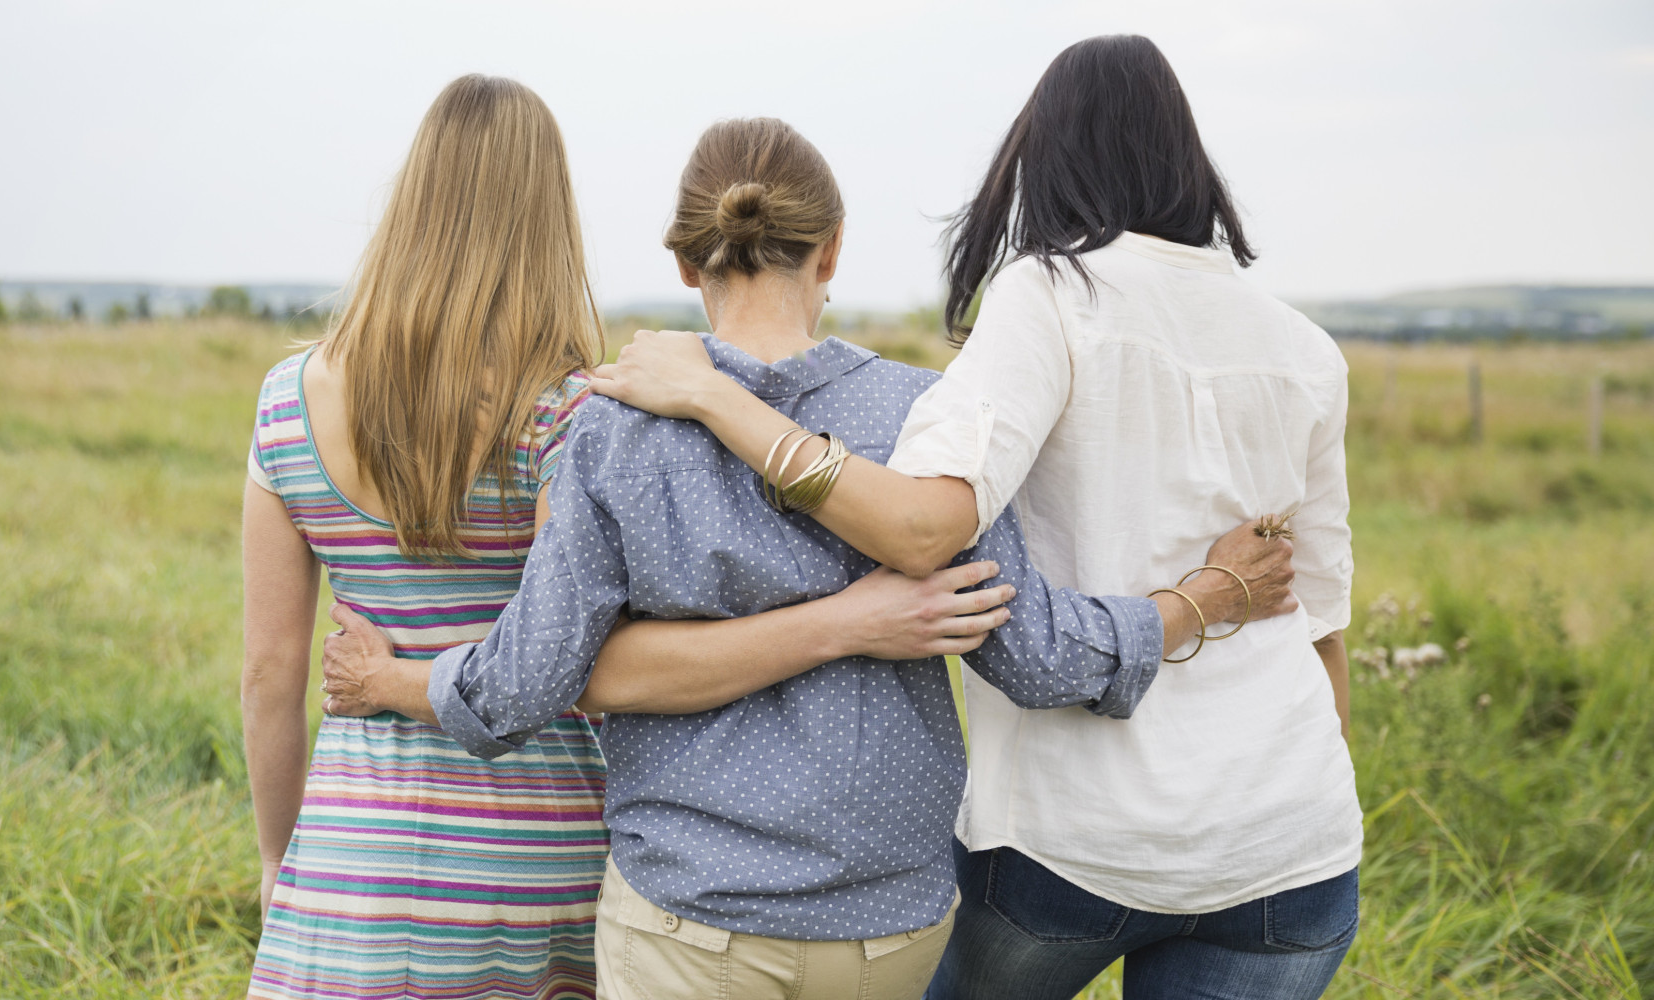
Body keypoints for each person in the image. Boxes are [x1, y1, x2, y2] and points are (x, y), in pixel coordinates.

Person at [319, 115, 1297, 1000]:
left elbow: (526, 681)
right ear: (829, 251)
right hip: (884, 926)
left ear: (683, 259)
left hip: (682, 920)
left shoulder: (611, 428)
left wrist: (386, 677)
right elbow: (1036, 653)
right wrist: (1201, 600)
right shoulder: (925, 417)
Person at [588, 36, 1362, 1000]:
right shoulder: (1306, 348)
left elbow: (924, 530)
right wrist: (1289, 787)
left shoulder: (1053, 294)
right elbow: (1321, 619)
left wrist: (719, 400)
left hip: (1081, 838)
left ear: (1043, 161)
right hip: (1294, 843)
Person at [238, 75, 615, 1000]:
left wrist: (280, 856)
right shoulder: (564, 411)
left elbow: (269, 670)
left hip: (349, 853)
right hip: (542, 852)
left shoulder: (289, 399)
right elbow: (575, 653)